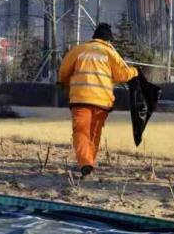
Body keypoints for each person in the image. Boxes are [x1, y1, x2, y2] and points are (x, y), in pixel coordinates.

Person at [57, 23, 138, 179]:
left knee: (80, 132)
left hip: (80, 99)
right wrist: (135, 71)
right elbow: (123, 75)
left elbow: (63, 72)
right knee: (94, 134)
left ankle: (86, 164)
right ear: (109, 40)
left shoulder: (78, 50)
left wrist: (64, 83)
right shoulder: (110, 53)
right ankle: (89, 164)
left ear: (94, 37)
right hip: (102, 102)